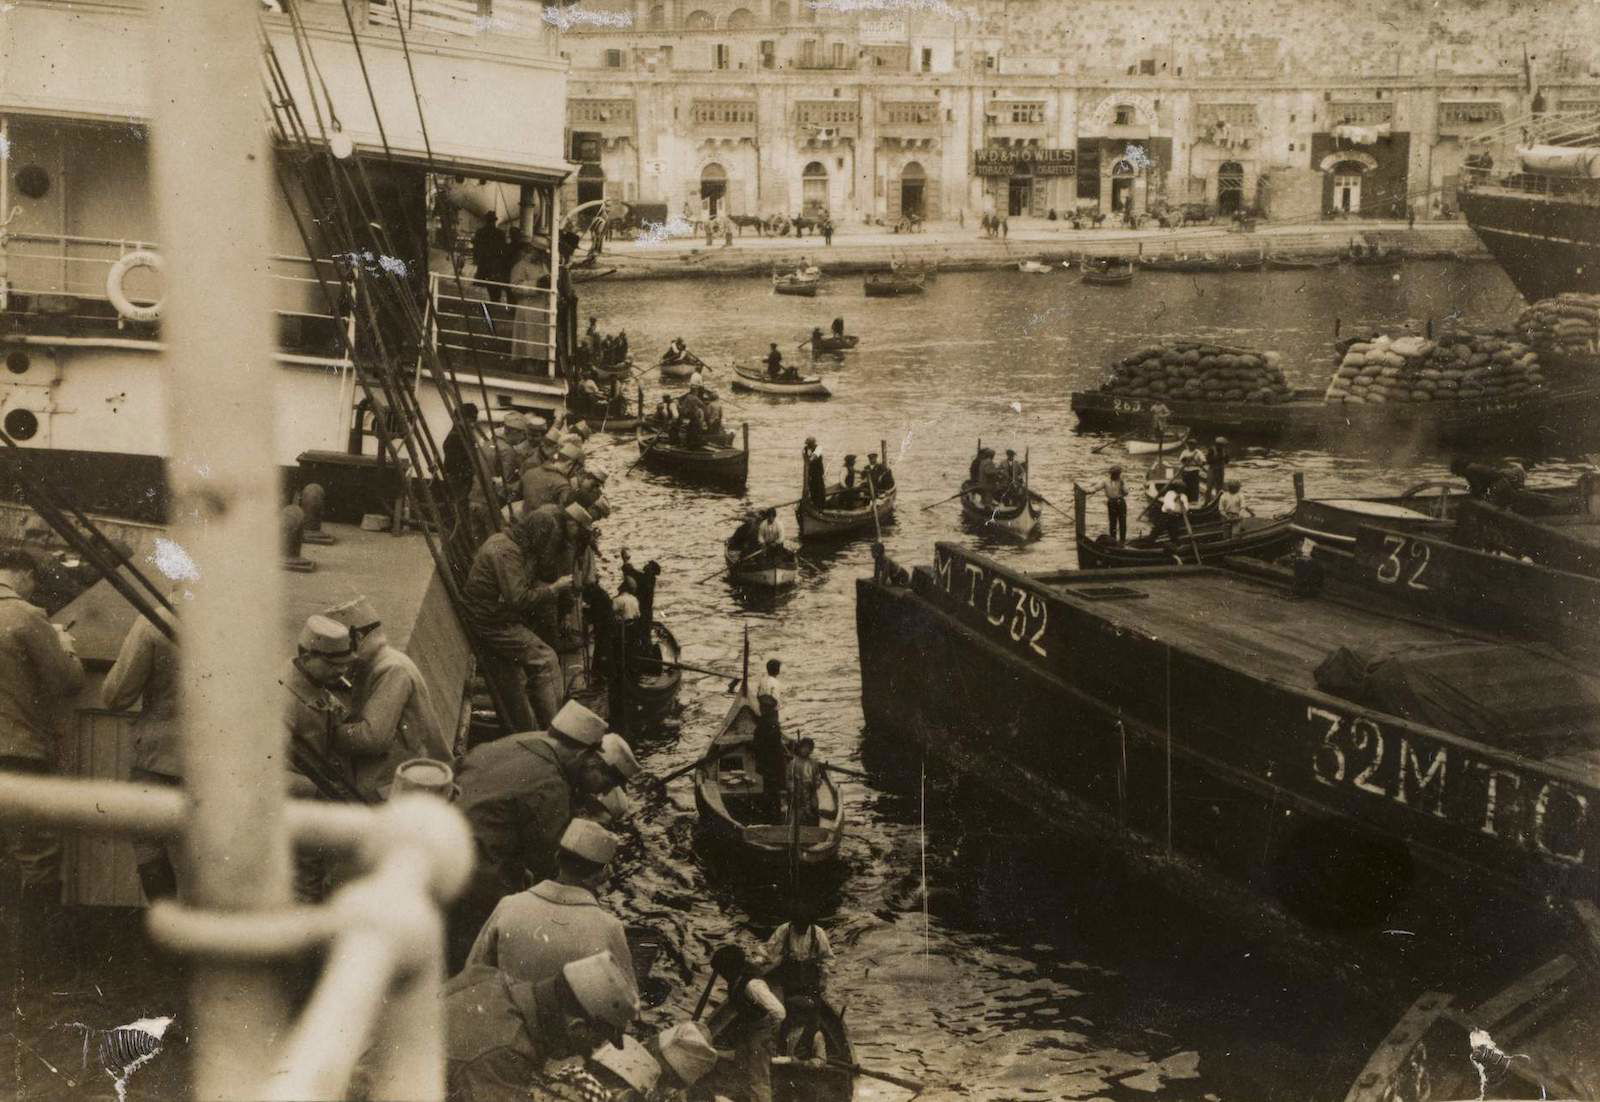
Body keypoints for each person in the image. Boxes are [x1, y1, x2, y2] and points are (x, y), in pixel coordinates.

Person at [449, 701, 639, 971]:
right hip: (474, 881)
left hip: (440, 845)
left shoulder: (519, 741)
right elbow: (548, 864)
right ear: (591, 761)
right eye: (604, 785)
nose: (598, 793)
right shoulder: (550, 786)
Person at [1, 550, 84, 976]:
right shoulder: (25, 616)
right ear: (26, 577)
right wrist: (64, 647)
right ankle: (34, 963)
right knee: (36, 853)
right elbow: (66, 681)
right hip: (19, 751)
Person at [466, 818, 637, 1001]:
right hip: (568, 1028)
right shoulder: (609, 928)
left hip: (506, 1021)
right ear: (601, 875)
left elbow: (473, 972)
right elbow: (628, 1000)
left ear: (557, 857)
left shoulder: (509, 906)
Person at [442, 951, 639, 1102]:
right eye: (595, 1041)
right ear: (576, 1027)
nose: (591, 1051)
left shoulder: (492, 977)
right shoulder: (504, 1054)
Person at [460, 505, 587, 732]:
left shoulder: (508, 543)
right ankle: (556, 729)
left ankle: (536, 728)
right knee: (546, 659)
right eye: (547, 539)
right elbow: (517, 598)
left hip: (493, 616)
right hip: (491, 623)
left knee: (520, 681)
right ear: (539, 535)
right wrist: (554, 589)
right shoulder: (507, 553)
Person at [321, 596, 450, 803]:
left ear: (358, 638)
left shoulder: (391, 669)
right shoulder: (374, 664)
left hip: (400, 781)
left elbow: (372, 739)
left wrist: (325, 733)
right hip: (396, 770)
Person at [102, 599, 182, 902]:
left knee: (149, 843)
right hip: (218, 758)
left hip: (158, 756)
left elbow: (116, 696)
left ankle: (168, 931)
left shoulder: (155, 621)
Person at [702, 944, 787, 1102]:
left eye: (722, 971)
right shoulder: (738, 978)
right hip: (748, 1030)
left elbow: (778, 1011)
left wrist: (768, 1036)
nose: (722, 976)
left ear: (730, 968)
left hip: (760, 1033)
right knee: (742, 1068)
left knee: (758, 1076)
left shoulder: (752, 985)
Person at [765, 905, 834, 1058]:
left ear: (809, 923)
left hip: (811, 978)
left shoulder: (818, 933)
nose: (801, 929)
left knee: (813, 1012)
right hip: (789, 977)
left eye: (804, 926)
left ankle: (810, 1049)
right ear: (793, 922)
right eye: (798, 926)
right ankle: (783, 1047)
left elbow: (828, 959)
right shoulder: (784, 930)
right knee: (788, 1011)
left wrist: (824, 978)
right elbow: (769, 951)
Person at [753, 658, 787, 819]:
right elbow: (775, 702)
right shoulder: (776, 683)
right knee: (776, 754)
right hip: (771, 718)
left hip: (764, 718)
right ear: (777, 670)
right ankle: (778, 783)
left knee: (764, 747)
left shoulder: (762, 681)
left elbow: (759, 697)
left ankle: (765, 770)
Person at [1078, 465, 1129, 543]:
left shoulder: (1122, 481)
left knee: (1122, 522)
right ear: (1111, 474)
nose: (1115, 475)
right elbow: (1095, 488)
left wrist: (1122, 485)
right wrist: (1085, 491)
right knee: (1112, 522)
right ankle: (1113, 541)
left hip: (1120, 502)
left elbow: (1126, 493)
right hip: (1111, 503)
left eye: (1117, 474)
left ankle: (1122, 541)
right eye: (1114, 474)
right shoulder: (1105, 481)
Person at [443, 402, 481, 496]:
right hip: (459, 481)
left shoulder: (463, 436)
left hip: (460, 480)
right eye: (470, 420)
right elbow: (454, 464)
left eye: (473, 420)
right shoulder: (456, 437)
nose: (472, 424)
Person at [785, 737, 823, 827]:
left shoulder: (814, 763)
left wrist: (817, 782)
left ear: (811, 750)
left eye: (808, 748)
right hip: (798, 792)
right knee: (797, 813)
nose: (805, 750)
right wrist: (792, 787)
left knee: (813, 809)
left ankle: (814, 829)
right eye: (804, 747)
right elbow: (788, 779)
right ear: (799, 748)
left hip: (811, 791)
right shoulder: (793, 763)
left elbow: (817, 777)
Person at [472, 212, 509, 303]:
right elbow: (503, 248)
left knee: (484, 279)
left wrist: (476, 259)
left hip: (483, 261)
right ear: (494, 221)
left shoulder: (480, 232)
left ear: (486, 221)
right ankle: (495, 299)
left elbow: (476, 247)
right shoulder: (500, 233)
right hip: (495, 262)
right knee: (495, 281)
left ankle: (492, 298)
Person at [1159, 478, 1190, 546]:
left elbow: (1186, 509)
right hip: (1166, 516)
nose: (1182, 490)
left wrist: (1182, 507)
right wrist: (1176, 508)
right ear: (1176, 488)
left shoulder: (1183, 496)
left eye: (1183, 488)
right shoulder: (1170, 494)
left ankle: (1174, 543)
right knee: (1158, 529)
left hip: (1176, 517)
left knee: (1174, 532)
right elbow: (1169, 506)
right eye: (1181, 488)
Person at [1177, 436, 1205, 502]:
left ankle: (1194, 501)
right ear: (1188, 445)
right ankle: (1185, 500)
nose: (1191, 446)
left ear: (1195, 445)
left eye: (1193, 444)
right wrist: (1187, 458)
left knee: (1194, 487)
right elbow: (1181, 460)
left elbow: (1203, 462)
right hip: (1185, 471)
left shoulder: (1198, 452)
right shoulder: (1184, 451)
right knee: (1184, 486)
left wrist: (1197, 462)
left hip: (1194, 471)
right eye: (1190, 444)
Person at [803, 437, 827, 507]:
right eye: (808, 444)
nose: (809, 445)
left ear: (813, 443)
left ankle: (821, 505)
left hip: (818, 472)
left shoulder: (818, 448)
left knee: (820, 489)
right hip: (810, 473)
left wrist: (808, 459)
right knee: (812, 488)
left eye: (810, 444)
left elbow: (813, 457)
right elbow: (806, 458)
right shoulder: (806, 449)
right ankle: (815, 504)